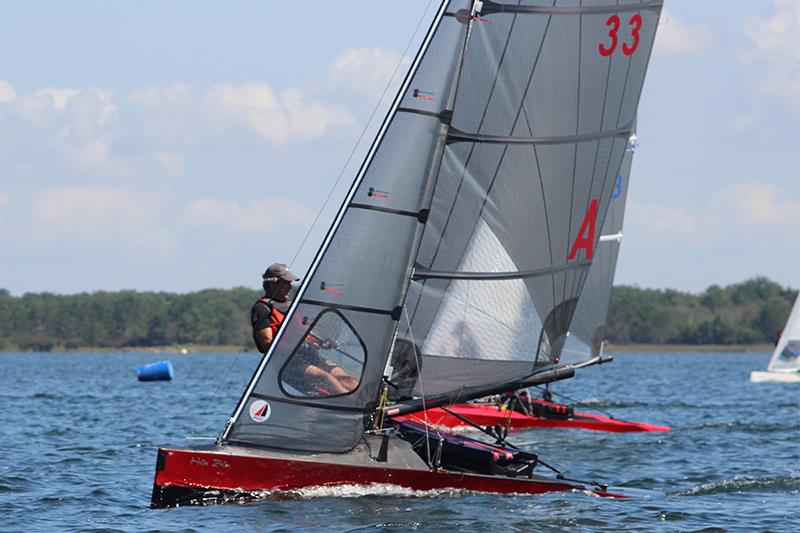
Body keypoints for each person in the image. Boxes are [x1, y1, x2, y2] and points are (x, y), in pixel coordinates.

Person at [251, 263, 357, 395]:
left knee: (344, 377)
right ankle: (356, 404)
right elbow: (267, 343)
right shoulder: (261, 308)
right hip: (287, 363)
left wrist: (320, 341)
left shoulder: (292, 306)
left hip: (308, 356)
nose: (289, 287)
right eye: (286, 283)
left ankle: (367, 402)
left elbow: (302, 330)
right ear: (272, 284)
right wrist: (294, 345)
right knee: (325, 377)